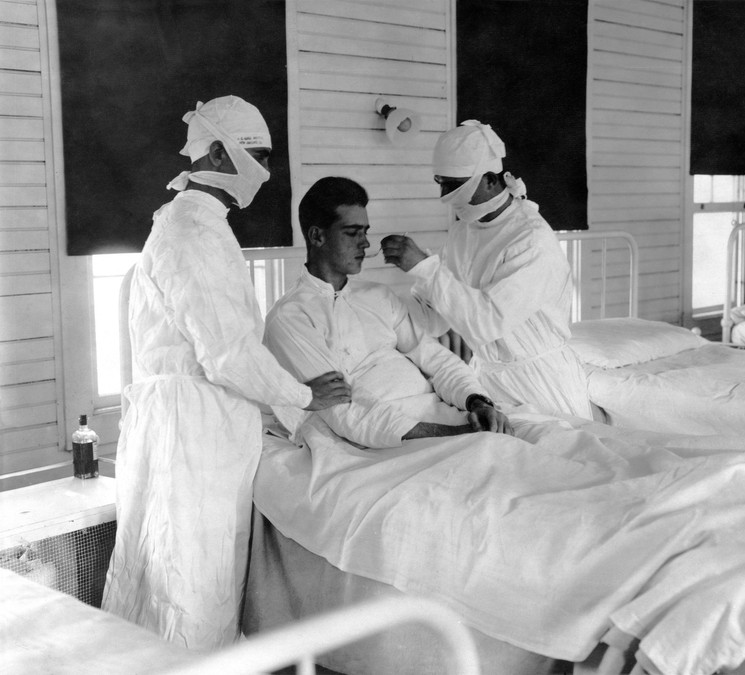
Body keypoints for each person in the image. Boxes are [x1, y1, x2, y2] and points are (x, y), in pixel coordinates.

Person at [101, 96, 350, 651]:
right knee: (190, 586)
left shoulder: (199, 225)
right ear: (217, 152)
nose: (265, 172)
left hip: (198, 427)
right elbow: (228, 354)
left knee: (177, 583)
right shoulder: (193, 230)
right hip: (193, 434)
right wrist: (302, 397)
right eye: (256, 157)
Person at [263, 176, 513, 448]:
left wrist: (478, 402)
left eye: (365, 232)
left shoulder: (378, 295)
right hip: (384, 440)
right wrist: (457, 434)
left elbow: (437, 360)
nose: (365, 243)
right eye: (352, 233)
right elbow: (346, 413)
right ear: (317, 236)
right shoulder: (290, 317)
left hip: (440, 414)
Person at [380, 120, 593, 421]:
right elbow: (437, 315)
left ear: (491, 180)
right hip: (488, 380)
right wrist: (381, 310)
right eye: (441, 183)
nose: (445, 195)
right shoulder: (462, 233)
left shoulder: (530, 239)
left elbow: (487, 322)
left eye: (454, 186)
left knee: (561, 448)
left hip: (542, 382)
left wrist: (426, 267)